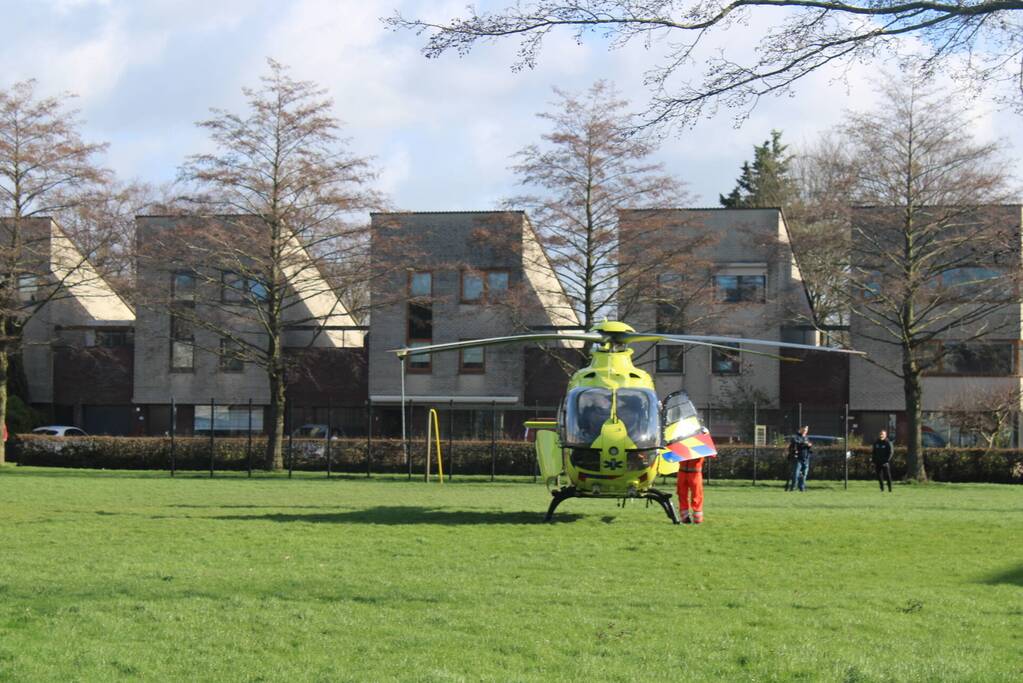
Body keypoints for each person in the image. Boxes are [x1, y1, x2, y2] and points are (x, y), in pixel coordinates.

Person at [676, 456, 705, 524]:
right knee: (685, 495)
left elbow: (712, 454)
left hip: (691, 473)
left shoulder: (681, 445)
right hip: (690, 473)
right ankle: (690, 517)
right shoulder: (701, 446)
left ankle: (693, 517)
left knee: (695, 495)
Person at [787, 426, 813, 492]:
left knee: (804, 474)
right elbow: (796, 443)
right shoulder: (796, 437)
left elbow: (809, 445)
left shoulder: (806, 438)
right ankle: (793, 487)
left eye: (806, 429)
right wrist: (804, 443)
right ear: (800, 429)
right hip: (798, 458)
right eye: (804, 429)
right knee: (796, 474)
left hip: (806, 458)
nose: (805, 430)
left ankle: (802, 488)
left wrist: (809, 445)